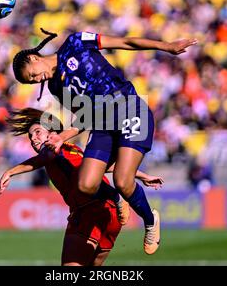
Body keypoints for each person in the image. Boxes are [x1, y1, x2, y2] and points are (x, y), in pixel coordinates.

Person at [12, 29, 195, 254]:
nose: (36, 80)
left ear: (33, 58)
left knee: (123, 180)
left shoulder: (76, 43)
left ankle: (150, 220)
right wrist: (62, 136)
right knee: (85, 184)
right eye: (31, 82)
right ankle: (117, 197)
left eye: (32, 75)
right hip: (102, 124)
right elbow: (86, 114)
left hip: (129, 108)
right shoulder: (55, 87)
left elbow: (124, 41)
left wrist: (166, 46)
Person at [0, 108, 164, 266]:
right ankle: (117, 198)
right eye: (31, 137)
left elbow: (40, 160)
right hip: (108, 214)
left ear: (52, 132)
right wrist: (142, 175)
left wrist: (10, 172)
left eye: (37, 132)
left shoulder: (52, 151)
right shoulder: (73, 149)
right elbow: (105, 166)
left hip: (87, 213)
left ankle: (116, 196)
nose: (33, 139)